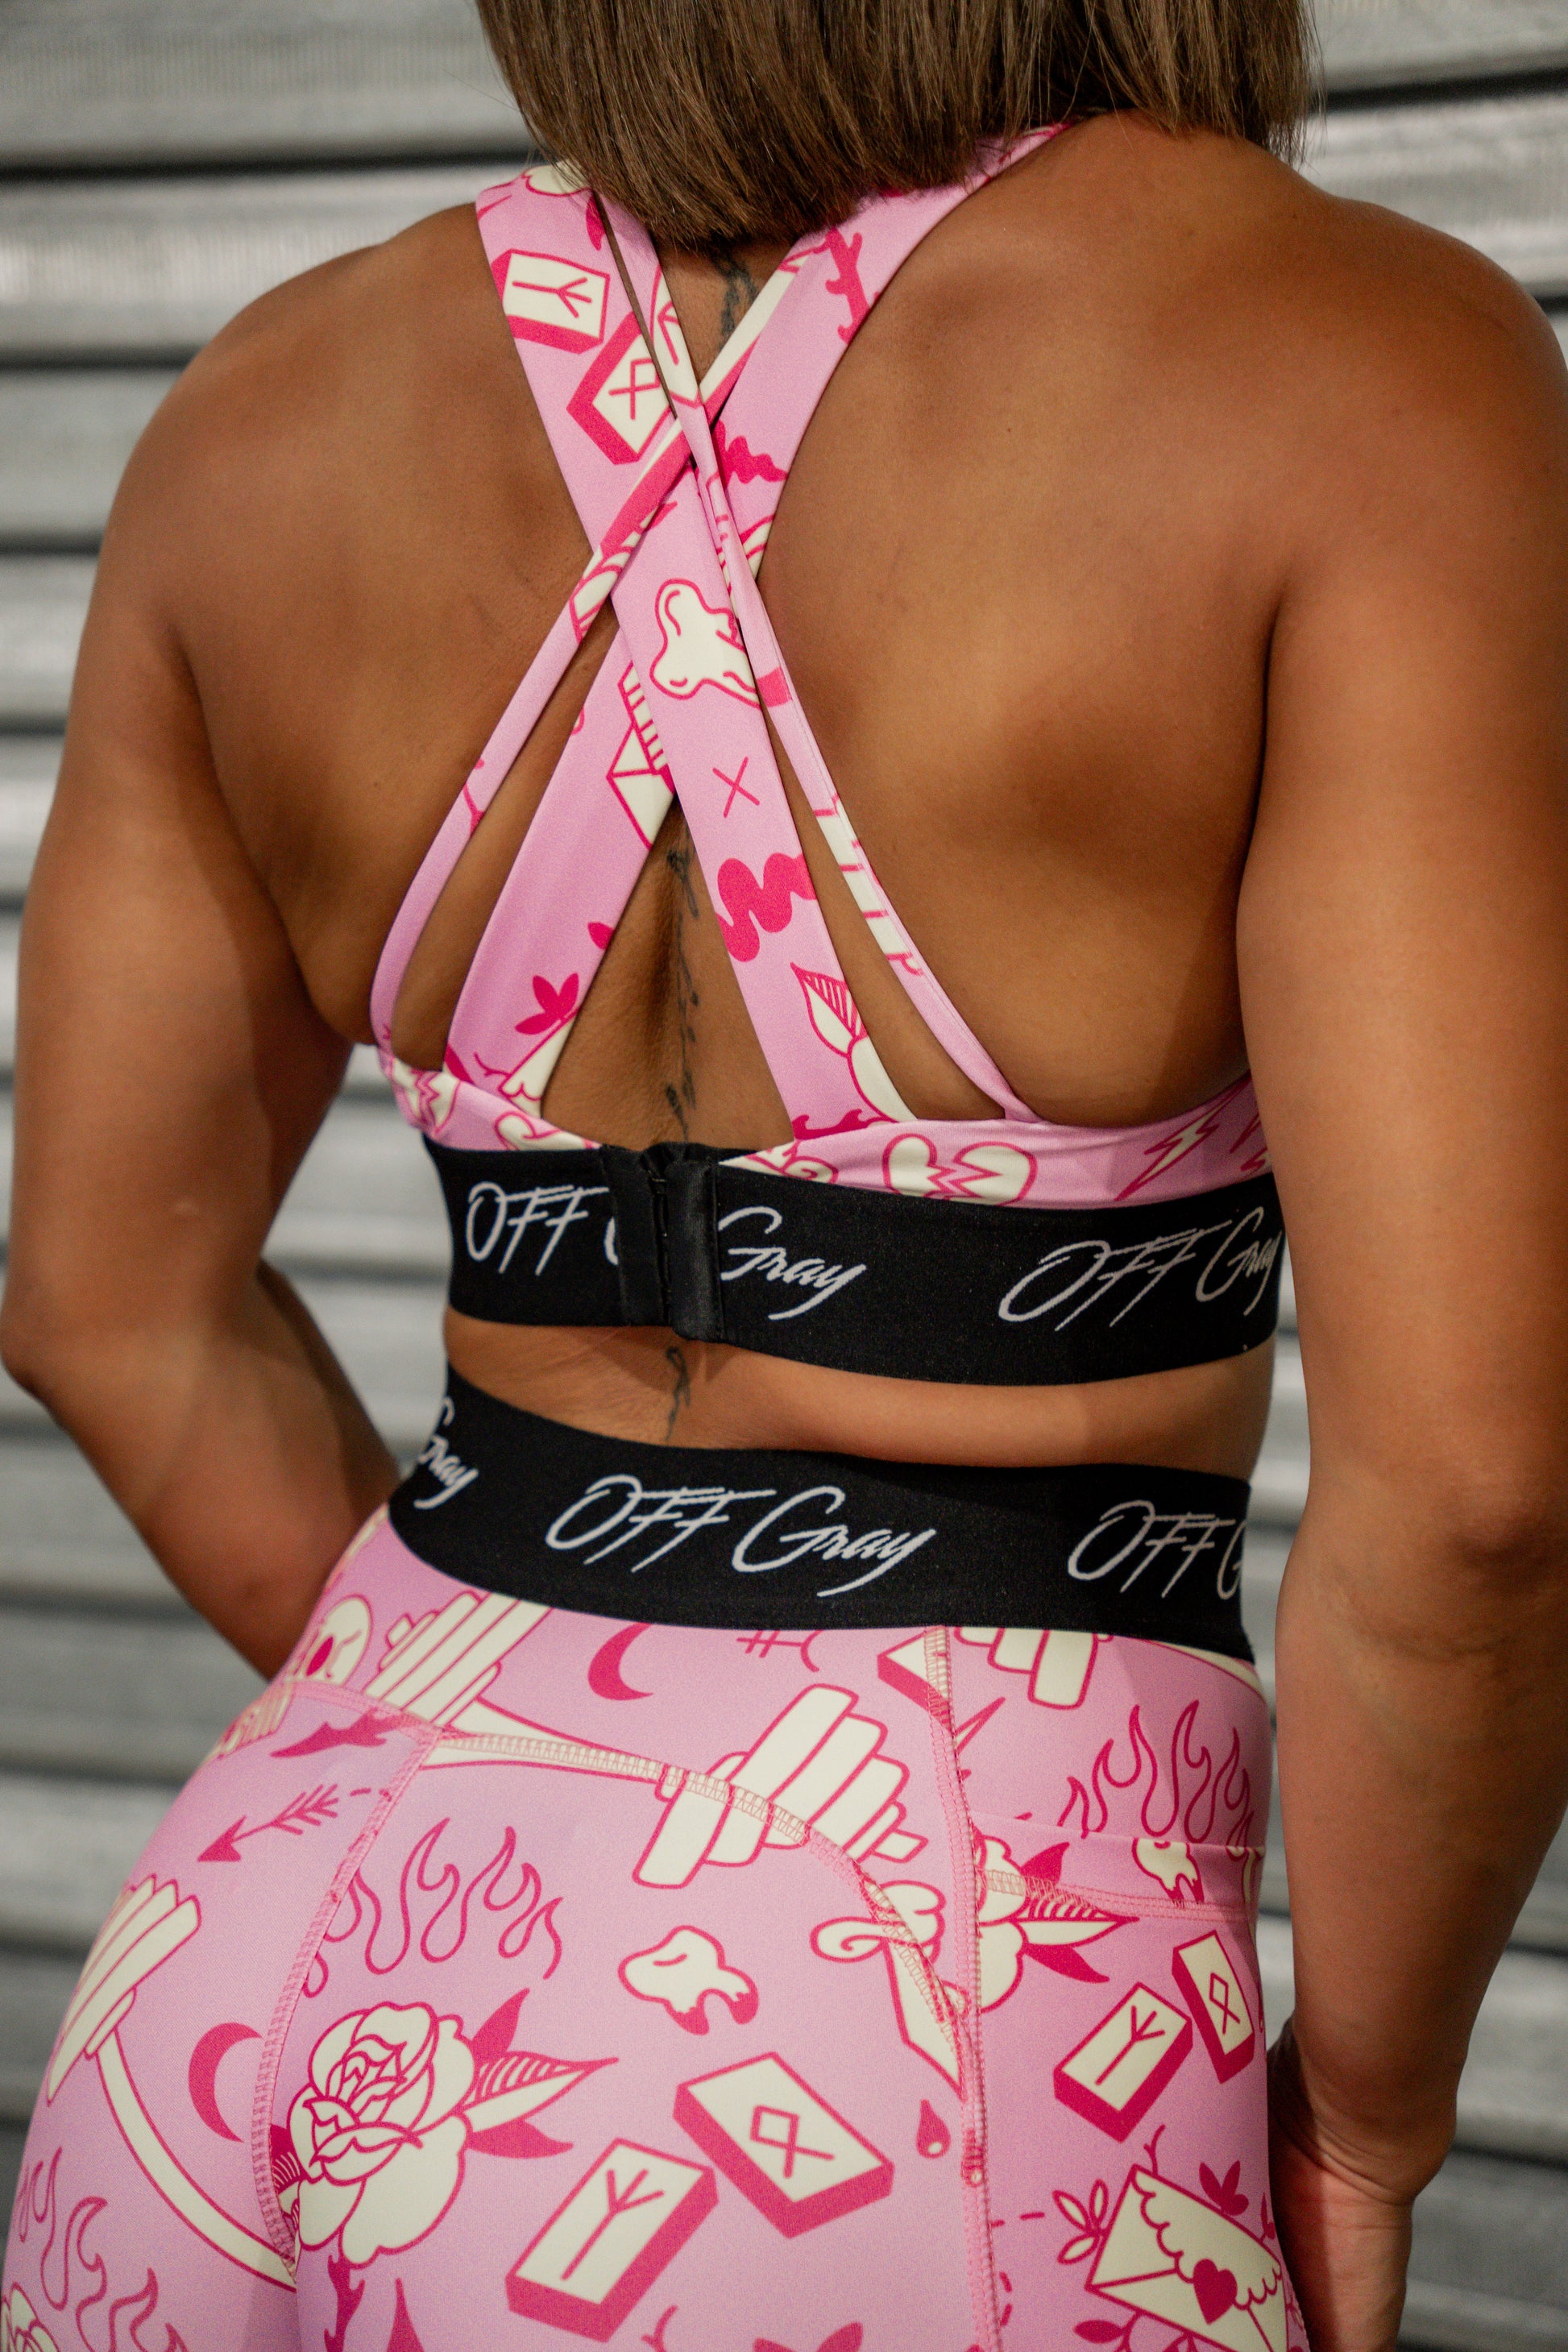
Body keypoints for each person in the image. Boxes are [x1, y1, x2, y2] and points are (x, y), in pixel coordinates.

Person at [4, 1, 1567, 2345]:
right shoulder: (1352, 363)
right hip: (892, 2050)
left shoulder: (264, 408)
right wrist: (1363, 2121)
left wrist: (530, 1763)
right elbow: (1471, 1504)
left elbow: (102, 1312)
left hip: (236, 1978)